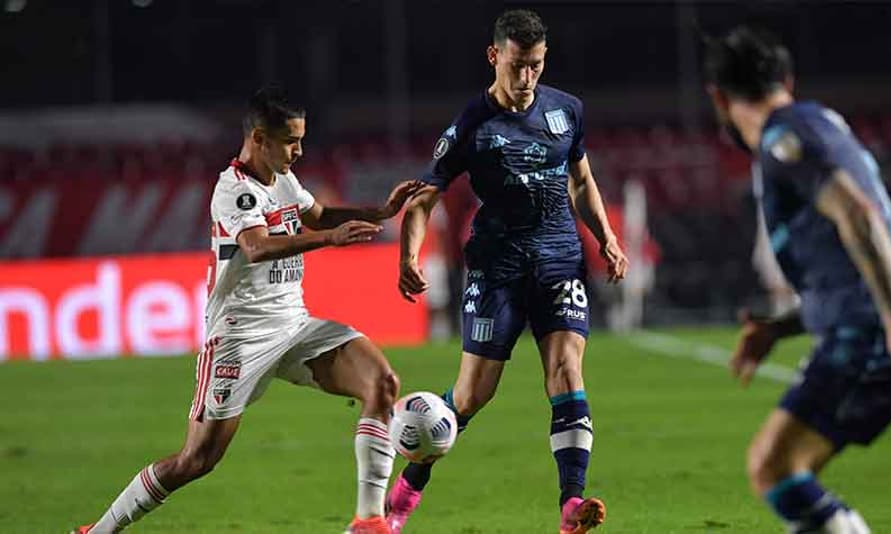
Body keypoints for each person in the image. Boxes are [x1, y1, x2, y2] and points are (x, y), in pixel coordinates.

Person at [73, 86, 424, 534]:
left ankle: (368, 521)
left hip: (294, 323)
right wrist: (330, 241)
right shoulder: (232, 190)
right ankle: (98, 531)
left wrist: (381, 211)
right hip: (240, 337)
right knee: (195, 461)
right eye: (290, 140)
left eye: (301, 139)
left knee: (382, 382)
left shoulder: (282, 179)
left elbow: (316, 215)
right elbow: (256, 247)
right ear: (259, 138)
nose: (299, 151)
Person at [388, 9, 627, 534]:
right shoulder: (471, 125)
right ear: (495, 57)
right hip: (497, 266)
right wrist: (409, 255)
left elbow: (582, 181)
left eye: (536, 66)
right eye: (517, 65)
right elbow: (425, 200)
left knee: (566, 369)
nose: (526, 79)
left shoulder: (568, 111)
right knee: (472, 396)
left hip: (560, 258)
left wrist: (606, 237)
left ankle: (571, 504)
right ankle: (405, 492)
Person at [703, 26, 891, 533]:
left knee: (775, 467)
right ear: (787, 79)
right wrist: (779, 327)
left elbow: (858, 212)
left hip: (873, 327)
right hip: (866, 319)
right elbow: (839, 268)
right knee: (778, 468)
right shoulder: (811, 126)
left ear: (718, 98)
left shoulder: (786, 136)